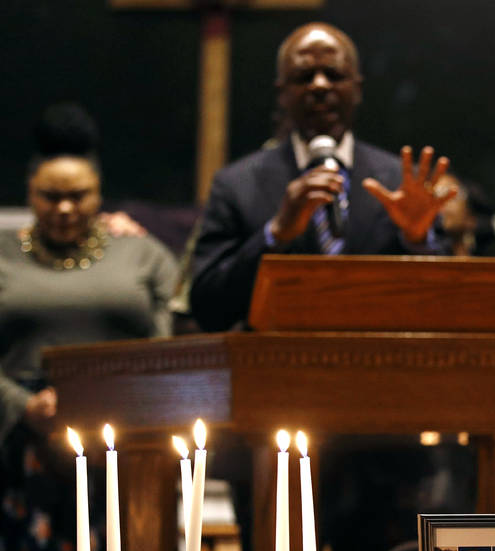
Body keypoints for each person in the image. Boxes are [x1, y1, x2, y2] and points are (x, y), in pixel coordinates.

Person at [0, 104, 177, 551]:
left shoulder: (142, 252)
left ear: (100, 193)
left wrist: (112, 398)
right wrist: (23, 404)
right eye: (51, 196)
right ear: (31, 192)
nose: (66, 208)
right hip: (19, 445)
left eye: (80, 195)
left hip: (123, 445)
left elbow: (167, 346)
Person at [190, 22, 457, 331]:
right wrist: (275, 235)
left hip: (384, 366)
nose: (319, 85)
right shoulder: (237, 185)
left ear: (357, 88)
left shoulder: (400, 180)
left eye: (334, 75)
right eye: (304, 77)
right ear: (282, 94)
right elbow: (207, 309)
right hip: (273, 368)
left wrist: (417, 240)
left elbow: (447, 304)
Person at [435, 173, 495, 257]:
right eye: (435, 195)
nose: (442, 204)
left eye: (451, 196)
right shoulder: (422, 248)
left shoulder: (489, 252)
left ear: (471, 218)